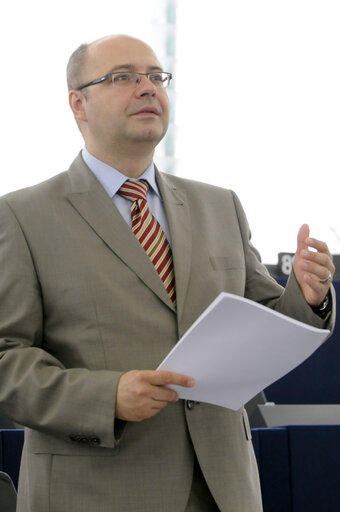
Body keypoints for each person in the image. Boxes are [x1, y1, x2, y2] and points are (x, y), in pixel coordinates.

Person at [0, 34, 335, 512]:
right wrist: (106, 396)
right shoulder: (21, 216)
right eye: (123, 77)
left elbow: (265, 318)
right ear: (78, 103)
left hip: (224, 487)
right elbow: (5, 358)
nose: (147, 88)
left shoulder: (220, 205)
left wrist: (307, 295)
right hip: (95, 491)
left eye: (156, 77)